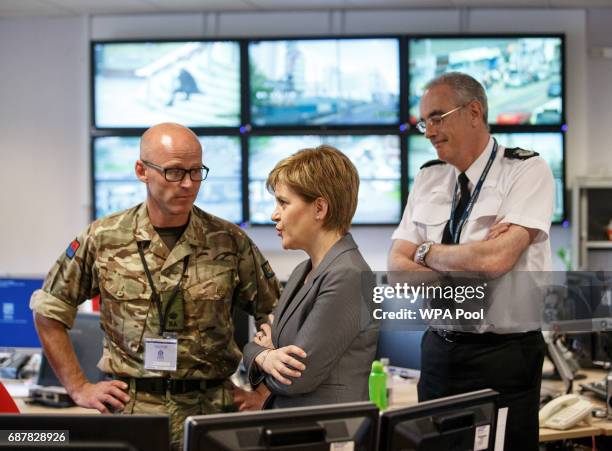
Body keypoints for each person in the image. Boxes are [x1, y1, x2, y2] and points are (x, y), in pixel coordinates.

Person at [30, 122, 279, 450]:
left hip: (211, 412)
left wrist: (264, 393)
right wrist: (78, 387)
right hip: (131, 412)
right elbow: (48, 311)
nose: (188, 184)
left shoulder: (228, 241)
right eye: (175, 172)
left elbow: (278, 314)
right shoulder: (103, 238)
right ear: (141, 170)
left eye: (196, 172)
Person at [388, 72, 554, 451]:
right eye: (424, 122)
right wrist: (467, 260)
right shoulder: (428, 178)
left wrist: (426, 251)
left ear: (474, 111)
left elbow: (495, 260)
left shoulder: (526, 171)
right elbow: (397, 266)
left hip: (502, 356)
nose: (428, 131)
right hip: (438, 351)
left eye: (437, 117)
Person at [237, 145, 379, 410]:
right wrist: (266, 354)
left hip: (327, 434)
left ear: (319, 208)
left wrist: (260, 354)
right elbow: (264, 347)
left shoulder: (349, 275)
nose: (274, 214)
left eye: (283, 202)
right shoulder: (303, 271)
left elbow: (293, 377)